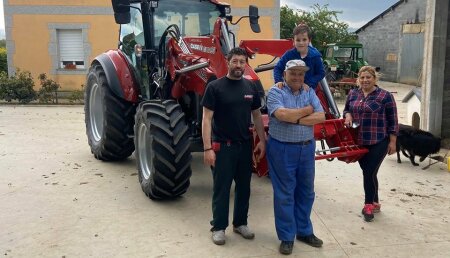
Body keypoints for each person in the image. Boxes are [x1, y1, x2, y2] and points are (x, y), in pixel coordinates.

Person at [201, 47, 266, 245]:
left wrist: (262, 141)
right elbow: (206, 118)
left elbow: (256, 116)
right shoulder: (215, 87)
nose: (238, 65)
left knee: (244, 187)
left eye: (242, 62)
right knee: (222, 188)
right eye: (235, 61)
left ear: (246, 64)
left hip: (244, 146)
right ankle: (219, 227)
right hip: (223, 147)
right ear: (228, 62)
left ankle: (240, 223)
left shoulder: (250, 87)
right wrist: (207, 148)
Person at [266, 59, 325, 255]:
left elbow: (321, 117)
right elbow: (282, 114)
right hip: (282, 149)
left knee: (306, 192)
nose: (297, 77)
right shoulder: (276, 92)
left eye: (301, 73)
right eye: (293, 73)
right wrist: (308, 111)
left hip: (306, 149)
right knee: (285, 194)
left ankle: (304, 231)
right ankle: (286, 236)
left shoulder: (309, 91)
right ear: (285, 74)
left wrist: (296, 118)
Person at [343, 66, 398, 222]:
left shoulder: (384, 96)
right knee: (370, 172)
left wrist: (393, 142)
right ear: (358, 79)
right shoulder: (353, 93)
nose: (365, 80)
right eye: (362, 77)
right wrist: (347, 115)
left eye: (368, 77)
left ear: (375, 78)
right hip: (359, 140)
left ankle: (368, 205)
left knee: (368, 172)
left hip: (379, 140)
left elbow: (393, 120)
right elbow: (346, 109)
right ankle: (375, 201)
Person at [273, 23, 325, 90]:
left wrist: (308, 83)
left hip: (307, 90)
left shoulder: (315, 56)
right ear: (293, 41)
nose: (301, 43)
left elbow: (321, 73)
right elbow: (277, 68)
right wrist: (278, 81)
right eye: (298, 40)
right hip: (290, 90)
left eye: (304, 39)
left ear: (309, 40)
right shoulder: (289, 55)